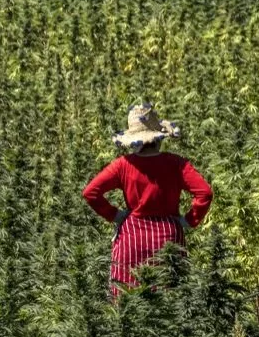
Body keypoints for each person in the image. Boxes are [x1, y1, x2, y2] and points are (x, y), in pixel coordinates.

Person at [83, 103, 214, 297]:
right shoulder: (176, 163)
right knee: (171, 298)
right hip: (168, 235)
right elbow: (205, 192)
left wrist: (115, 215)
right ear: (158, 138)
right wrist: (188, 220)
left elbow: (90, 192)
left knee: (129, 299)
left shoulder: (123, 165)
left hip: (132, 236)